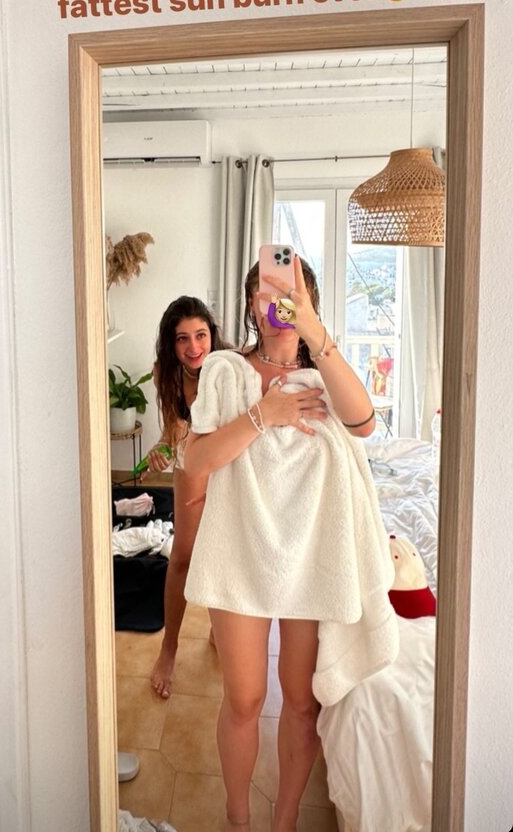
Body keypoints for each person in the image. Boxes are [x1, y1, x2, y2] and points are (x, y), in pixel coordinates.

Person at [182, 256, 379, 832]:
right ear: (250, 303)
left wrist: (317, 335)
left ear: (309, 300)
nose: (279, 302)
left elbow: (365, 424)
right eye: (267, 291)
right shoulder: (225, 371)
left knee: (300, 701)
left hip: (311, 555)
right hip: (240, 549)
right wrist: (262, 415)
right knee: (244, 699)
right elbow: (195, 461)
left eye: (292, 292)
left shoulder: (326, 375)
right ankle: (238, 819)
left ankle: (284, 819)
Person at [147, 295, 228, 699]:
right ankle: (169, 648)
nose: (194, 347)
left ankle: (219, 628)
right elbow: (171, 433)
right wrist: (161, 450)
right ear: (171, 342)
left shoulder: (228, 367)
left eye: (200, 335)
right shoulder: (165, 373)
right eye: (183, 338)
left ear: (211, 335)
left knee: (224, 553)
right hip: (190, 463)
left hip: (227, 464)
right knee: (183, 554)